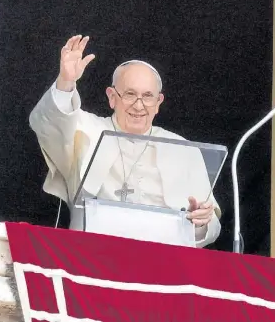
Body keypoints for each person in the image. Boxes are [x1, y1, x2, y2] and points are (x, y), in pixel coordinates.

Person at [29, 35, 221, 247]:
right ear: (112, 97)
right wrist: (66, 81)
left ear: (159, 103)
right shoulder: (85, 130)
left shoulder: (184, 150)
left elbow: (210, 227)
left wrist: (201, 223)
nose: (139, 106)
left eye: (148, 96)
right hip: (93, 256)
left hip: (165, 264)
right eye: (130, 94)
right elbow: (48, 124)